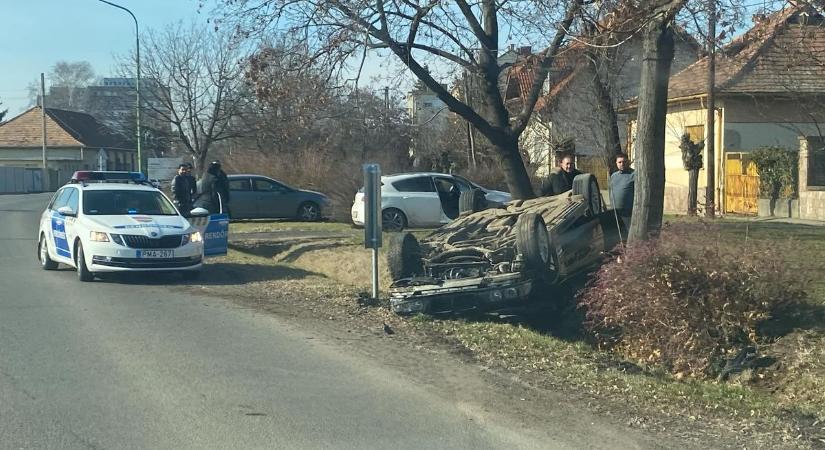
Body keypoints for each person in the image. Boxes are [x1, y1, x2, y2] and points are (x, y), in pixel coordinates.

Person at [609, 152, 635, 226]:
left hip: (628, 214)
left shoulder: (634, 174)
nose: (622, 164)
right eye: (619, 162)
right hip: (615, 213)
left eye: (624, 162)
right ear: (616, 163)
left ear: (628, 162)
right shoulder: (613, 176)